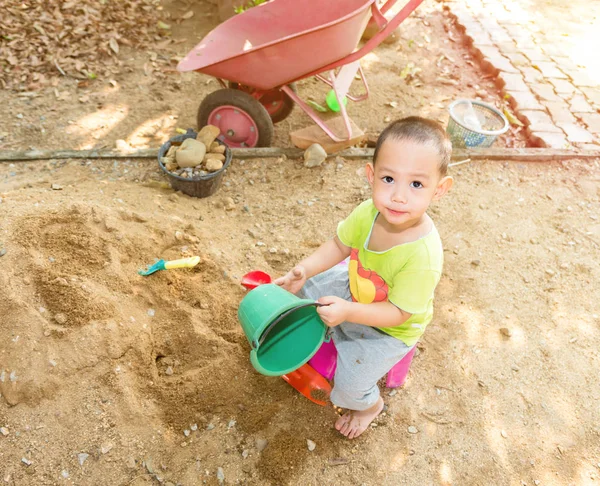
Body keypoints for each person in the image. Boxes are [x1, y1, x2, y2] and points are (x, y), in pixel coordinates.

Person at [274, 116, 453, 439]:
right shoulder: (367, 213)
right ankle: (324, 331)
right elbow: (340, 245)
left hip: (390, 326)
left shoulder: (423, 256)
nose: (398, 196)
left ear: (438, 190)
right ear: (371, 176)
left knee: (349, 387)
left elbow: (399, 312)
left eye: (416, 184)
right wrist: (304, 269)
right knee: (303, 296)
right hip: (356, 288)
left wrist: (348, 311)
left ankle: (370, 407)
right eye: (388, 178)